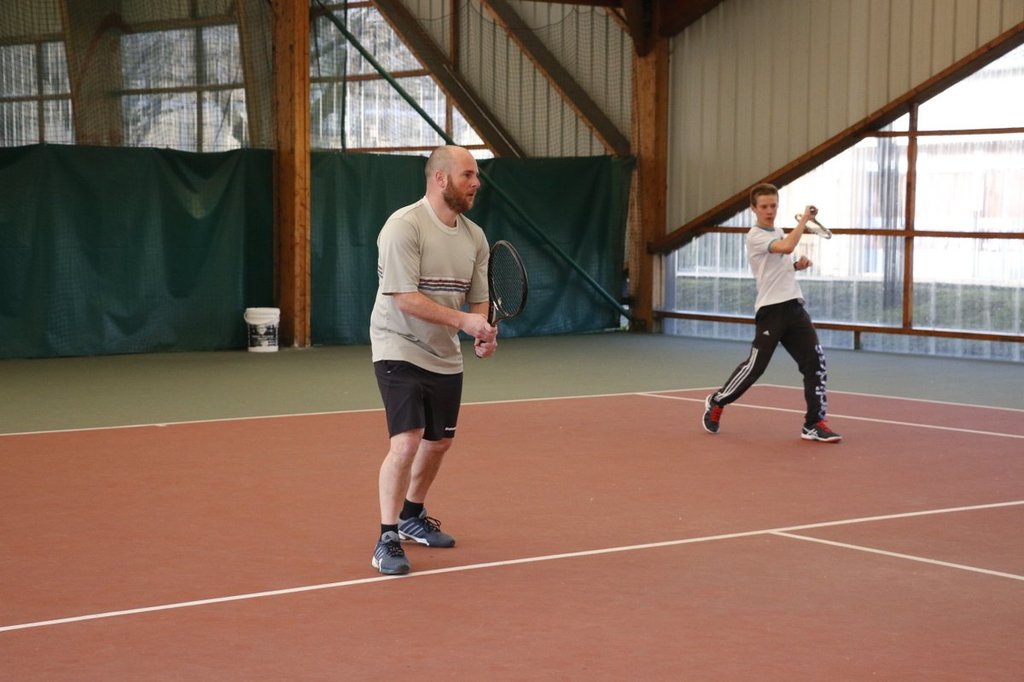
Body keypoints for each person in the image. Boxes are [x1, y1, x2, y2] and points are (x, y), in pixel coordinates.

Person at [368, 145, 498, 575]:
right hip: (397, 344)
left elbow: (479, 300)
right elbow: (405, 299)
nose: (476, 183)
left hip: (444, 353)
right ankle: (387, 538)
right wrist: (464, 321)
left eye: (476, 175)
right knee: (406, 442)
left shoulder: (475, 237)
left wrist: (481, 331)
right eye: (467, 175)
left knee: (439, 442)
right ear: (440, 179)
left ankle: (412, 516)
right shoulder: (403, 227)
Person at [702, 183, 842, 443]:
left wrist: (796, 266)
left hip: (794, 308)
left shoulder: (777, 232)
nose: (770, 211)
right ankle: (717, 401)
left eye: (773, 205)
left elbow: (779, 263)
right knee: (755, 367)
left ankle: (813, 423)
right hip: (771, 311)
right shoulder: (755, 235)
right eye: (764, 206)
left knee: (815, 363)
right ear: (753, 209)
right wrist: (805, 220)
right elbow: (787, 247)